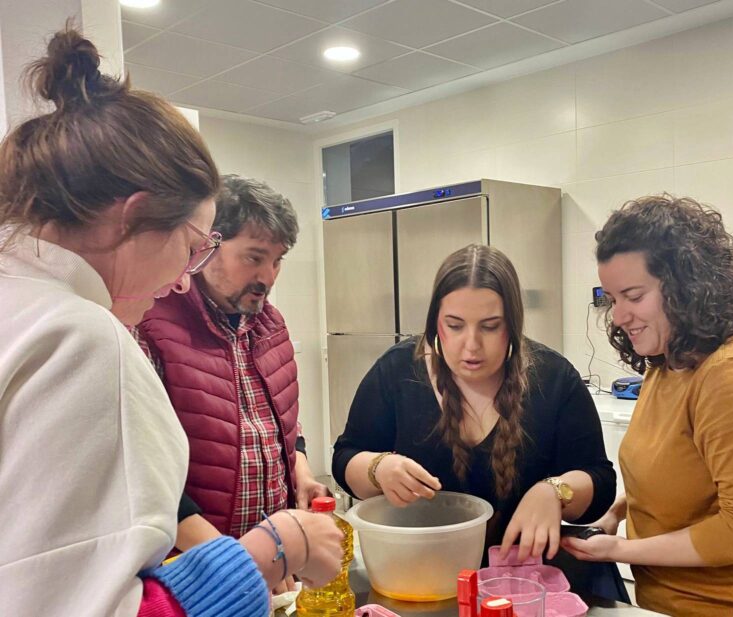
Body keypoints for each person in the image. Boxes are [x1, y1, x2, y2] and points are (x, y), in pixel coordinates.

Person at [0, 27, 341, 617]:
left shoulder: (20, 302)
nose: (184, 276)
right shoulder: (82, 337)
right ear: (132, 219)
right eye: (189, 247)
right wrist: (262, 556)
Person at [333, 244, 616, 562]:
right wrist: (377, 468)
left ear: (513, 323)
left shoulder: (554, 378)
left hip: (521, 578)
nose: (471, 345)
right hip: (420, 572)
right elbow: (345, 459)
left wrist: (555, 491)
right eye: (454, 325)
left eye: (490, 326)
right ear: (435, 322)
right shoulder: (398, 371)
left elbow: (600, 483)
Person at [562, 195, 733, 616]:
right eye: (613, 298)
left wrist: (621, 549)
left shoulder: (732, 373)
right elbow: (678, 482)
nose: (618, 316)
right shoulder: (668, 364)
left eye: (633, 296)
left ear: (686, 286)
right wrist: (614, 516)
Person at [134, 176, 327, 590]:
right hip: (195, 571)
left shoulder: (270, 323)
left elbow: (282, 421)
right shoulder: (152, 325)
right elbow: (143, 471)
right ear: (207, 245)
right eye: (254, 258)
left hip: (271, 562)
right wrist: (234, 564)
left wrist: (302, 473)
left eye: (277, 260)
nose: (268, 277)